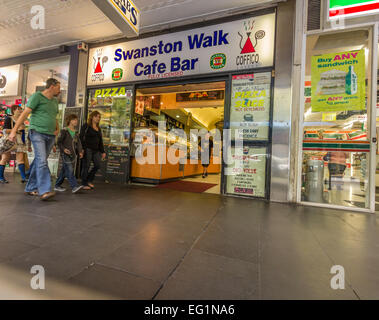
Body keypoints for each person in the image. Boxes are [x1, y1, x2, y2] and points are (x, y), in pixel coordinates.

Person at [8, 78, 60, 201]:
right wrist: (14, 131)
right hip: (37, 132)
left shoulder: (55, 101)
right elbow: (24, 113)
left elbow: (54, 117)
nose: (60, 89)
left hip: (50, 135)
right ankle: (45, 190)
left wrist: (57, 130)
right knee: (42, 161)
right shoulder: (37, 96)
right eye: (58, 87)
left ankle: (30, 187)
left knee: (39, 161)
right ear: (51, 86)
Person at [54, 114, 84, 194]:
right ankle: (74, 186)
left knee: (64, 170)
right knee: (70, 169)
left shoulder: (76, 133)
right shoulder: (64, 131)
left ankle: (57, 185)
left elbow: (79, 144)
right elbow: (59, 142)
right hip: (65, 154)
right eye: (74, 120)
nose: (76, 121)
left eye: (76, 120)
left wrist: (80, 151)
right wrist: (64, 149)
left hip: (73, 154)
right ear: (70, 121)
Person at [0, 105, 28, 183]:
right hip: (9, 140)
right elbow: (5, 131)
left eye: (21, 110)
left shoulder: (21, 120)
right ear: (14, 110)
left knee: (21, 159)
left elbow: (23, 133)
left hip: (19, 141)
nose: (21, 111)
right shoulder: (9, 118)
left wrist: (25, 143)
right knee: (5, 158)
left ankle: (23, 177)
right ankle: (1, 177)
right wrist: (17, 130)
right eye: (19, 109)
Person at [80, 111, 106, 190]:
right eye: (96, 116)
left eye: (99, 117)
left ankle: (89, 180)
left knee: (97, 165)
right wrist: (82, 149)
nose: (98, 118)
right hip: (87, 149)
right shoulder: (86, 126)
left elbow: (100, 140)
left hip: (96, 150)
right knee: (86, 166)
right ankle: (84, 183)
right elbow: (81, 137)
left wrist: (103, 151)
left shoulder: (98, 128)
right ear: (92, 117)